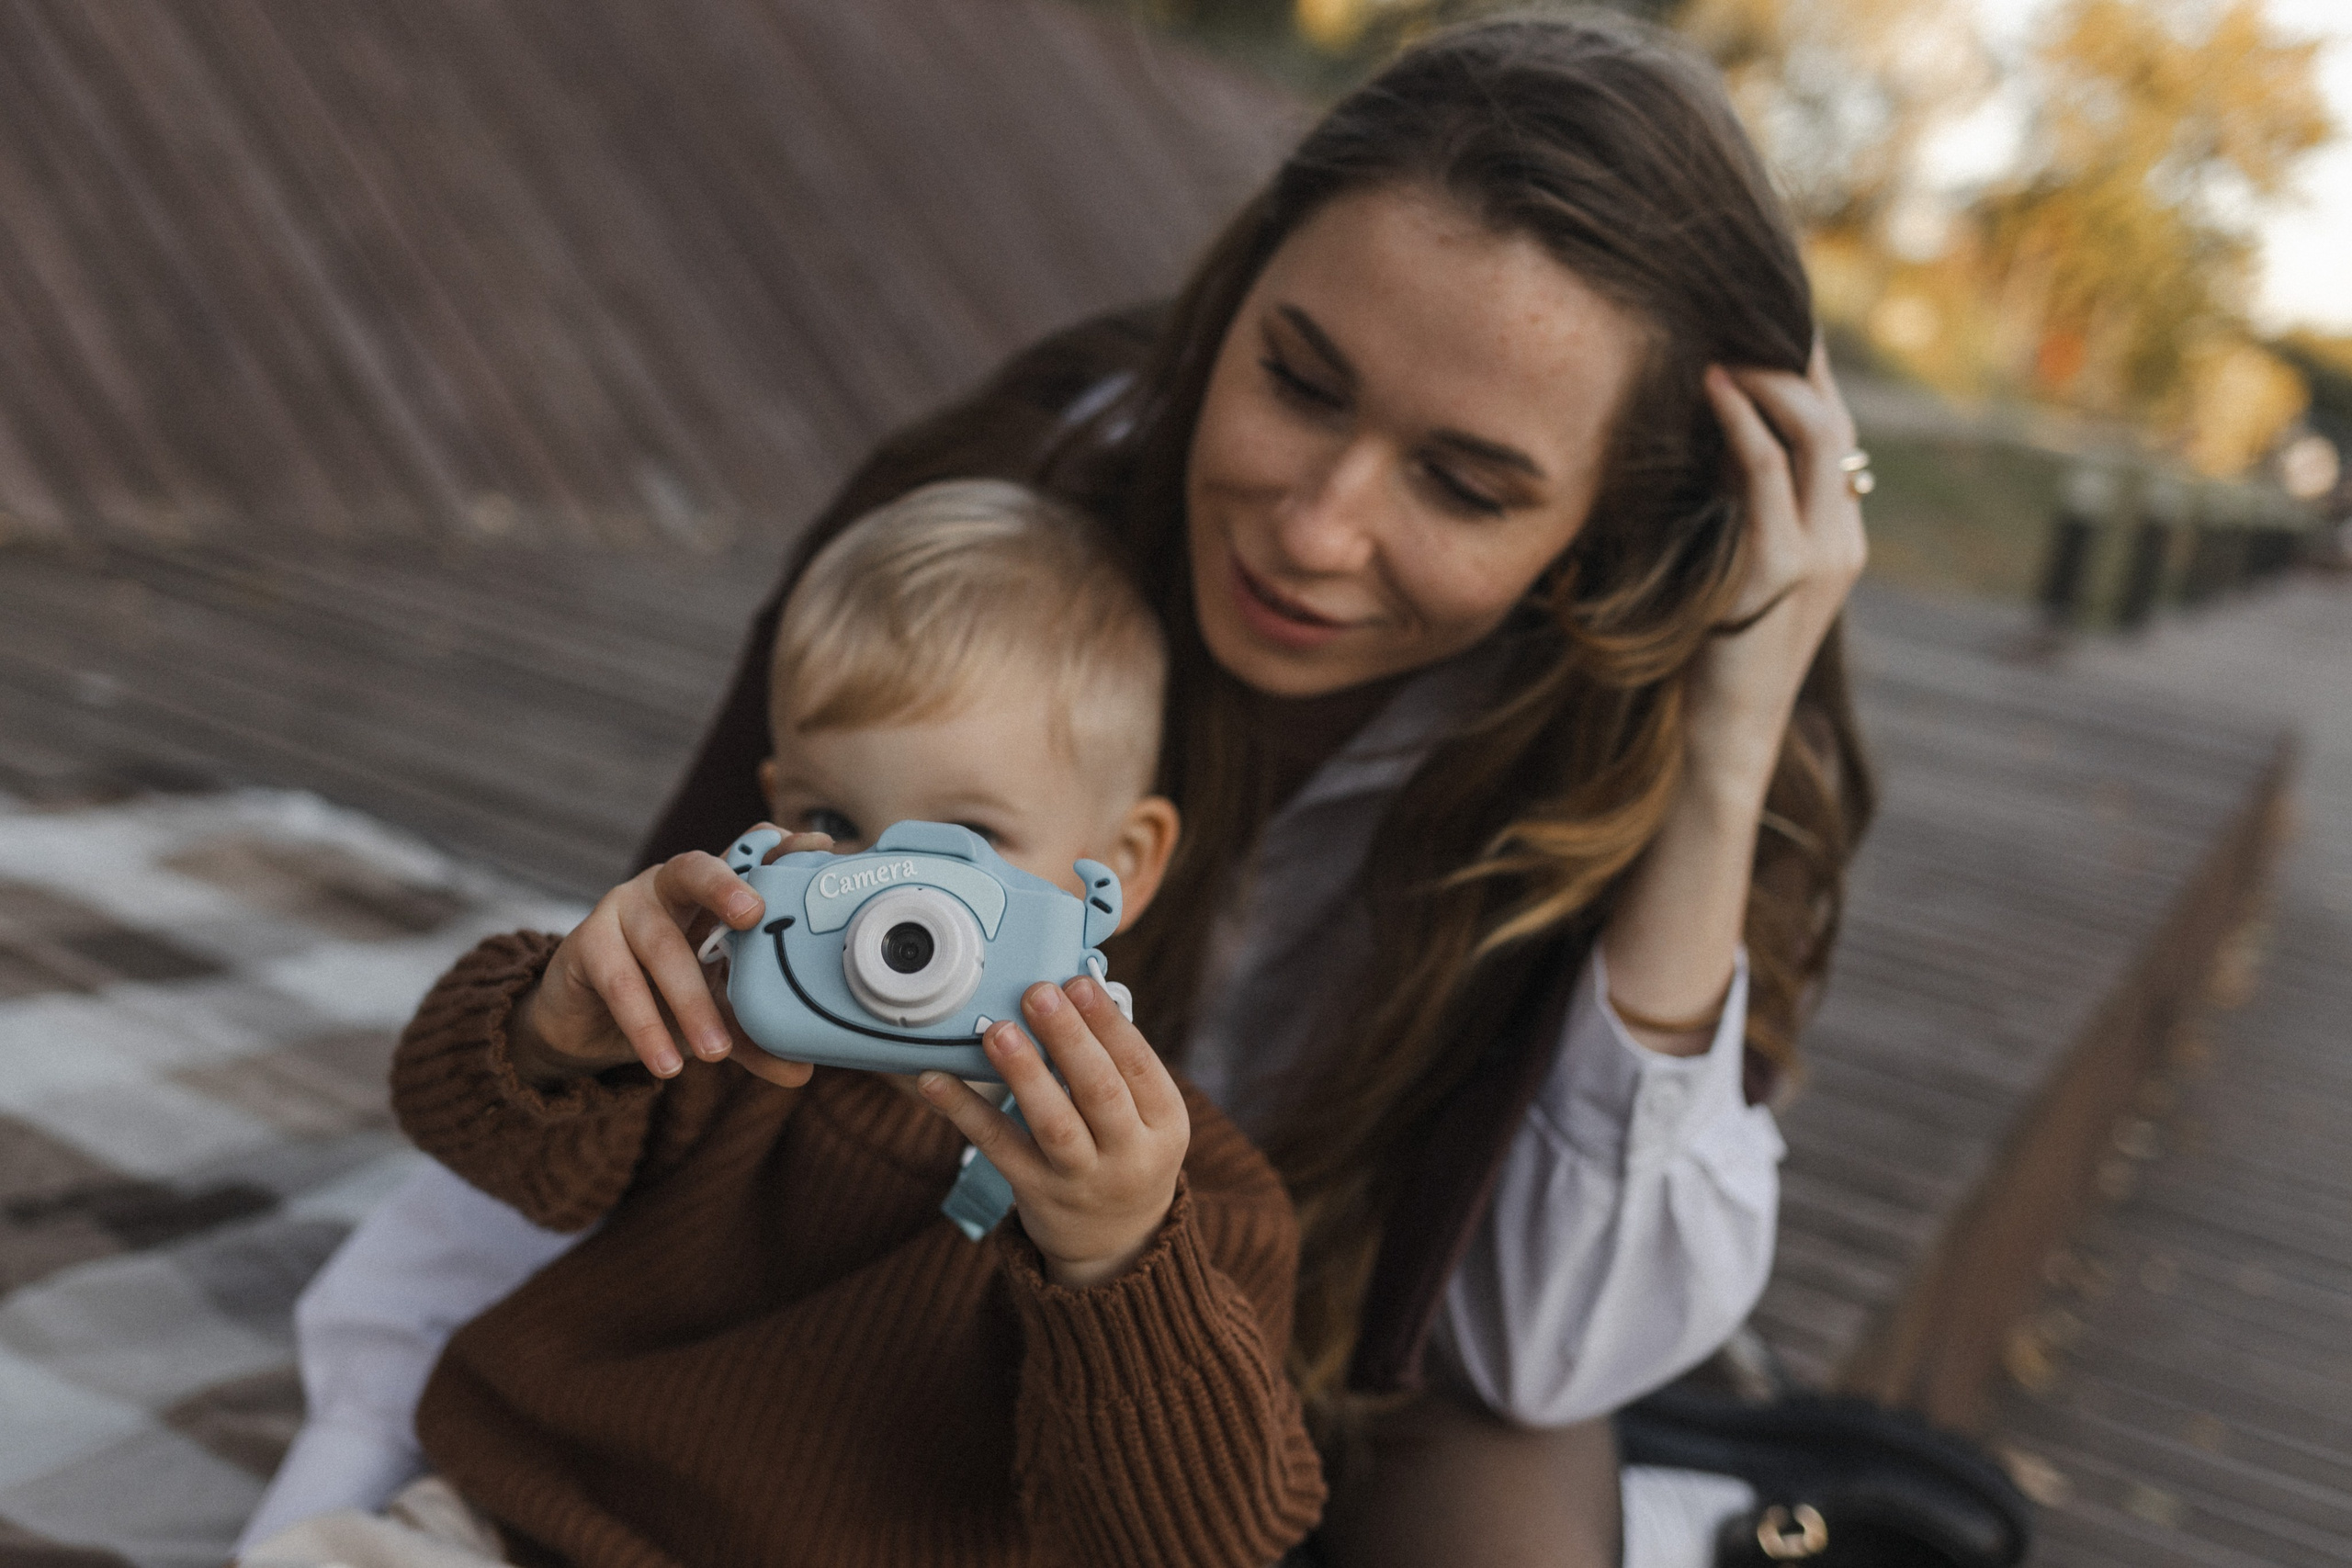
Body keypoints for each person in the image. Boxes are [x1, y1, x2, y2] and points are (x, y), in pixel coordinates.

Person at [251, 13, 1873, 1565]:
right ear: (1231, 295)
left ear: (1617, 531)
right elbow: (593, 1075)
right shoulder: (983, 531)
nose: (1314, 527)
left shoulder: (1642, 725)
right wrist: (350, 1465)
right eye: (1299, 379)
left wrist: (1723, 744)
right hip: (826, 1333)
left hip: (1259, 1362)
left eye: (1464, 481)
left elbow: (1541, 1359)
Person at [241, 479, 1326, 1565]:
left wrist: (1115, 1256)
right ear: (771, 821)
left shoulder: (1187, 1193)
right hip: (530, 1528)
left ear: (1117, 871)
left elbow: (1204, 1542)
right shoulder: (723, 1034)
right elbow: (477, 1142)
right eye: (835, 824)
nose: (889, 899)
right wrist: (553, 1027)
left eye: (968, 841)